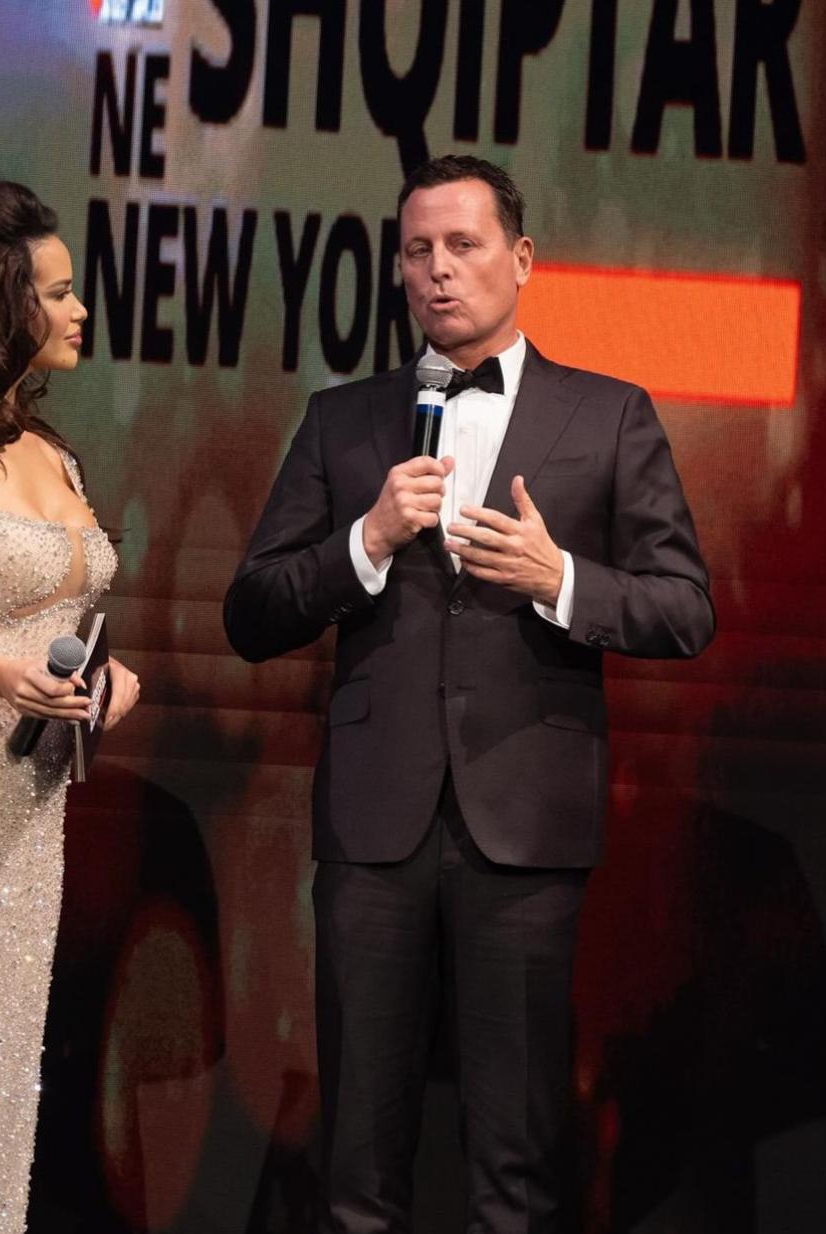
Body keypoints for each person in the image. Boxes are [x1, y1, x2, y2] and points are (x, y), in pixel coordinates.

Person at [224, 154, 714, 1229]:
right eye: (417, 250)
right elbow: (250, 612)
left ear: (522, 258)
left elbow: (685, 609)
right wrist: (365, 540)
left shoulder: (608, 415)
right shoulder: (343, 421)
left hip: (526, 822)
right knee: (358, 1159)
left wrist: (559, 579)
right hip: (373, 825)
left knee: (516, 1160)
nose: (437, 270)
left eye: (463, 244)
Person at [0, 179, 139, 1230]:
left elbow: (68, 616)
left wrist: (110, 678)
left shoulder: (53, 450)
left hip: (30, 818)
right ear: (1, 303)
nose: (81, 310)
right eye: (58, 291)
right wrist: (0, 675)